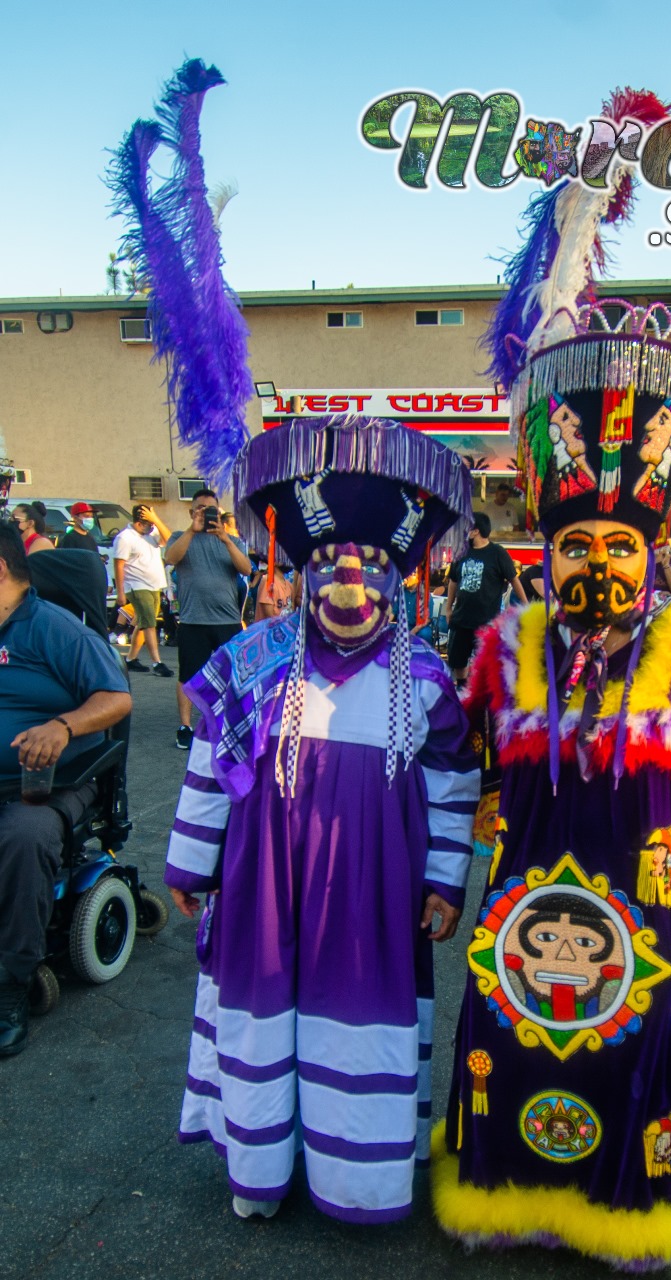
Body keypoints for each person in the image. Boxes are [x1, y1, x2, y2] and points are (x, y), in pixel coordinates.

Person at [433, 269, 671, 1264]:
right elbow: (452, 747)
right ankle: (511, 1196)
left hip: (656, 906)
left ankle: (632, 1209)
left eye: (619, 544)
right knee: (509, 1043)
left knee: (645, 1050)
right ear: (547, 553)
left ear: (655, 548)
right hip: (521, 903)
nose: (599, 561)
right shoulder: (508, 640)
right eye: (578, 542)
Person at [164, 414, 479, 1220]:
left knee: (354, 1025)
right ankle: (263, 1168)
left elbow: (451, 782)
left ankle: (353, 1178)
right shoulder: (253, 660)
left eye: (372, 564)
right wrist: (192, 863)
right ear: (300, 574)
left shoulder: (429, 678)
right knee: (267, 1011)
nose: (351, 582)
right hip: (263, 883)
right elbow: (209, 766)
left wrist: (445, 879)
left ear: (401, 580)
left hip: (373, 894)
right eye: (331, 564)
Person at [0, 524, 131, 1057]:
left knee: (24, 836)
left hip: (51, 783)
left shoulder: (55, 630)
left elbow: (116, 698)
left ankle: (10, 986)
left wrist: (63, 726)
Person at [164, 489, 251, 749]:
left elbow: (246, 569)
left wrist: (225, 538)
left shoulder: (232, 540)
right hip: (194, 620)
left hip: (227, 621)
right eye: (200, 508)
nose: (205, 513)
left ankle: (230, 723)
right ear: (192, 513)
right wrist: (193, 530)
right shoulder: (180, 537)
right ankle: (185, 726)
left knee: (232, 675)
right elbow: (171, 558)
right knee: (188, 675)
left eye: (211, 509)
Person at [445, 512, 527, 683]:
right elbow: (453, 581)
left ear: (476, 531)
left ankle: (483, 697)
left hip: (487, 620)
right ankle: (462, 690)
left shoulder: (497, 553)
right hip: (461, 618)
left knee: (488, 663)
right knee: (458, 661)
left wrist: (526, 604)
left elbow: (514, 579)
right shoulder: (462, 552)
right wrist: (448, 607)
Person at [113, 504, 175, 678]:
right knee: (149, 623)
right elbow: (119, 565)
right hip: (137, 585)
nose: (151, 527)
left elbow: (169, 540)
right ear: (139, 523)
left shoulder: (152, 532)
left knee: (143, 621)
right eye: (148, 524)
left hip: (154, 585)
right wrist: (120, 592)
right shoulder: (125, 538)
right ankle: (157, 662)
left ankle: (131, 659)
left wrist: (155, 520)